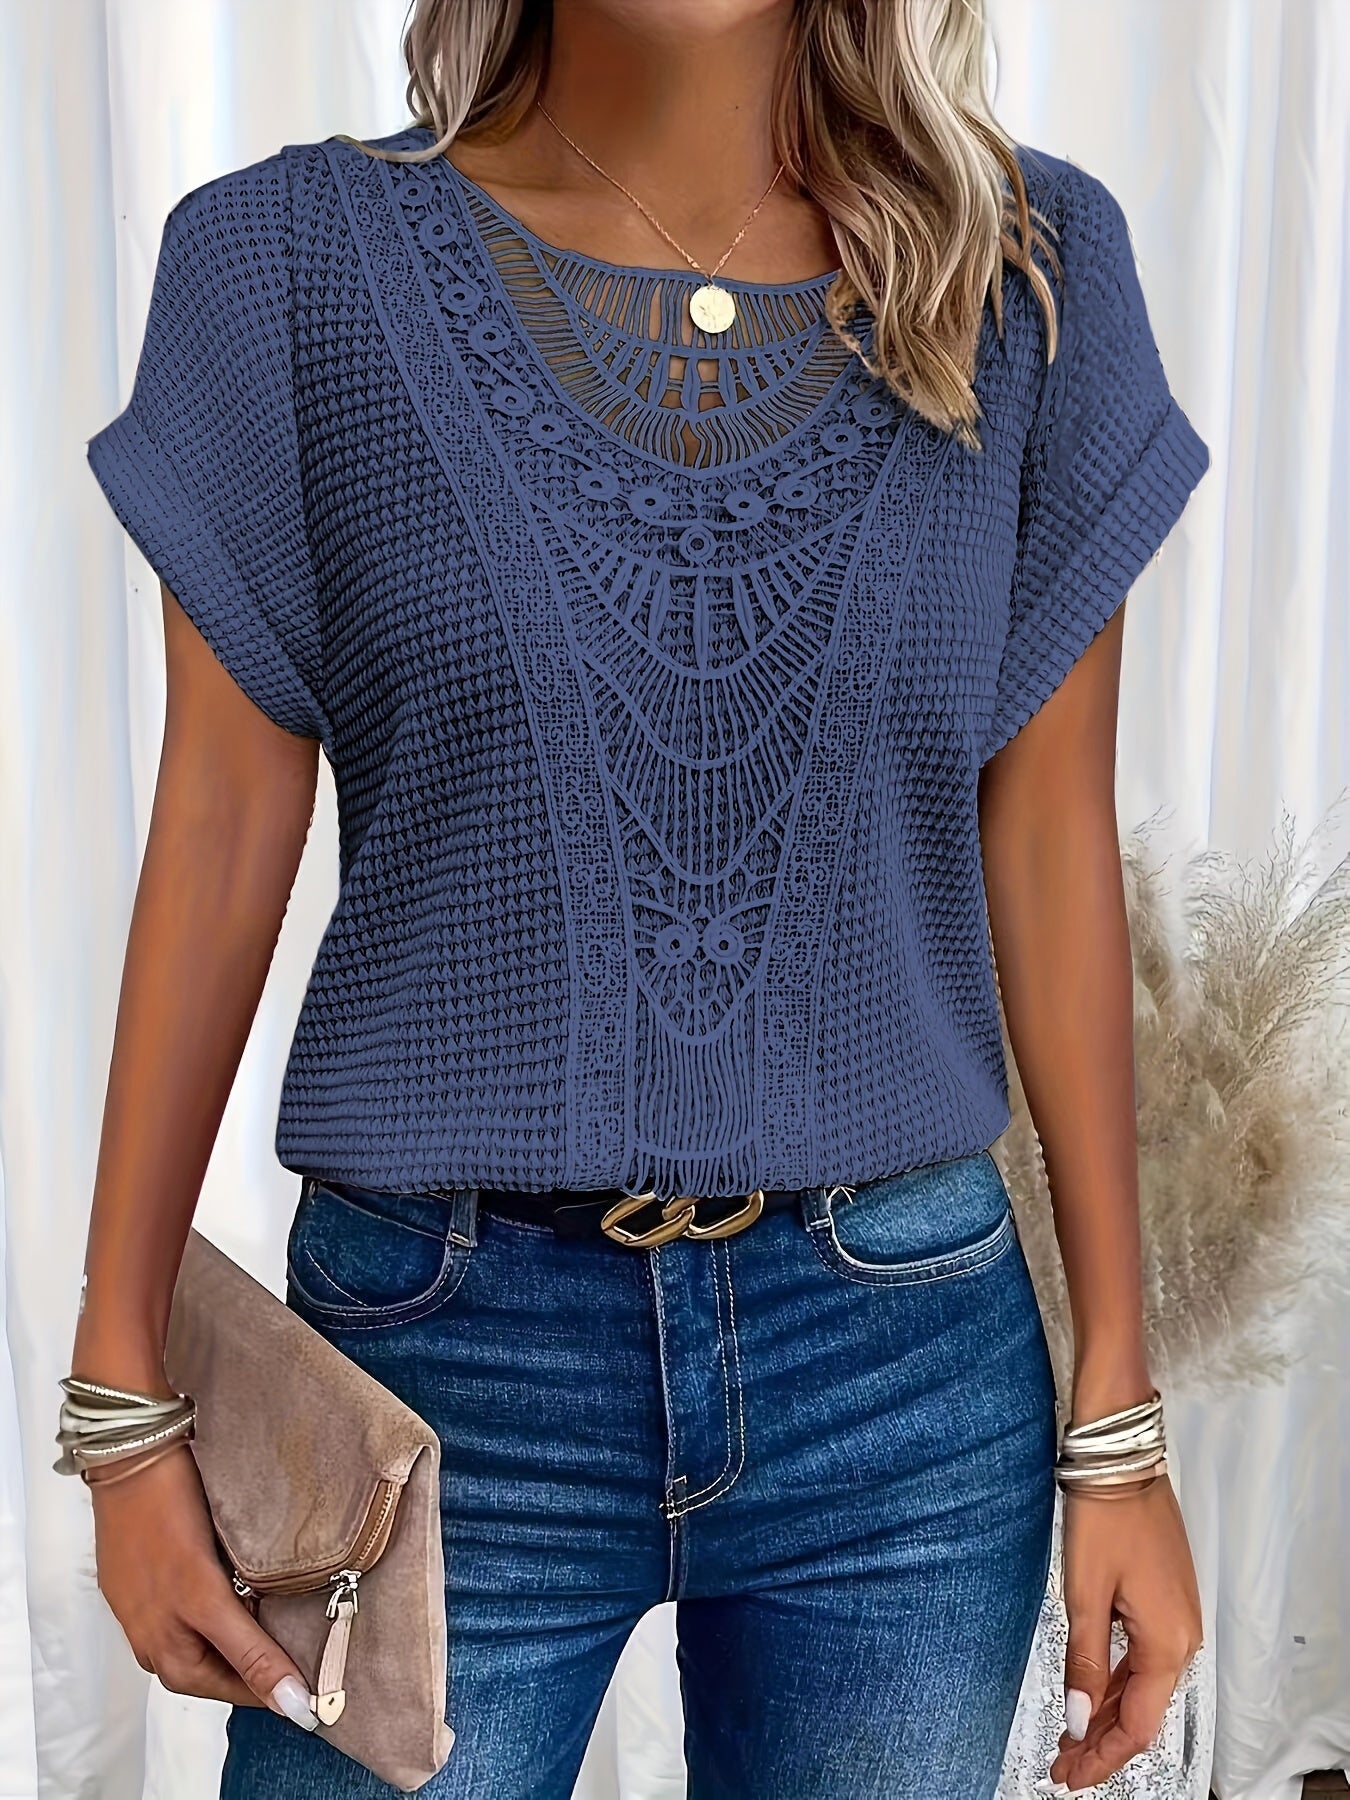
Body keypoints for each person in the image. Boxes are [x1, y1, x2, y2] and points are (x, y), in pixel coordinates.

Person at [70, 1, 1210, 1795]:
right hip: (436, 1374)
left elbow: (1049, 842)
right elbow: (215, 827)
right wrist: (121, 1394)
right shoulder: (283, 266)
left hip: (905, 1375)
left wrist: (1116, 1423)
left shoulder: (1026, 274)